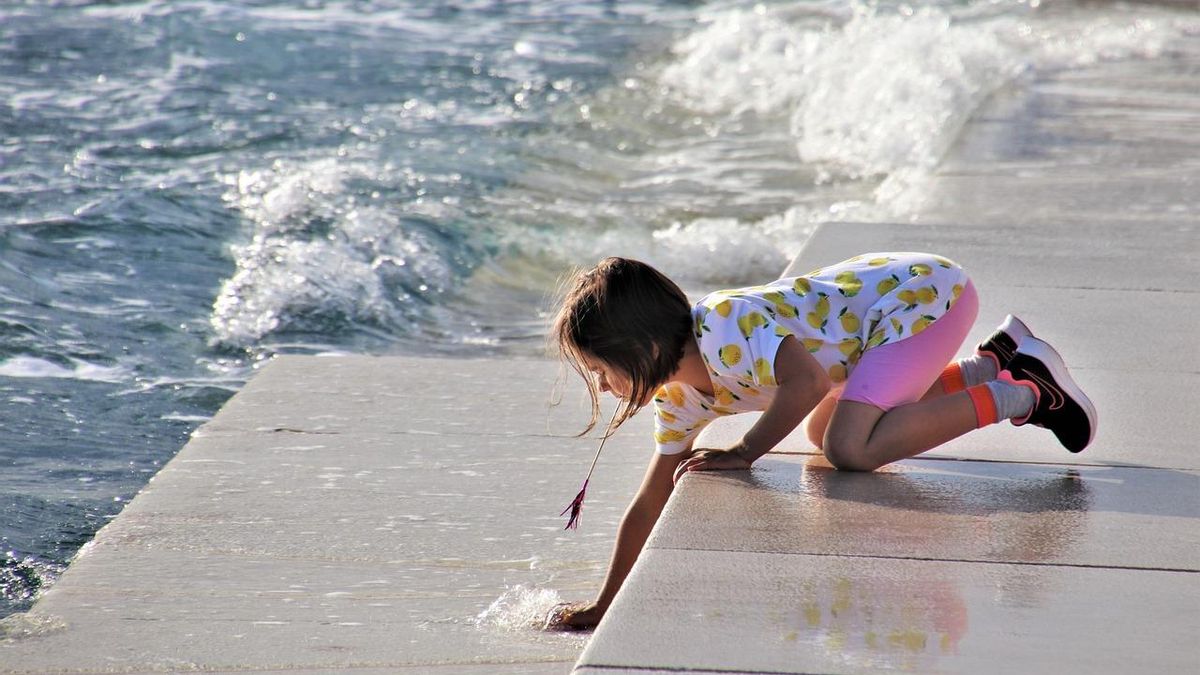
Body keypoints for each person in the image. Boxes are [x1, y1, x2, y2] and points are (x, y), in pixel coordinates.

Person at [543, 252, 1096, 630]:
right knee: (818, 431)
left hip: (923, 296)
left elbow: (806, 381)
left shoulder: (722, 324)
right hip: (881, 324)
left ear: (638, 347)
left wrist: (744, 452)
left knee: (849, 449)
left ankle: (1021, 393)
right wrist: (604, 604)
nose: (601, 384)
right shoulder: (681, 397)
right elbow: (649, 502)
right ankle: (988, 365)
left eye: (599, 369)